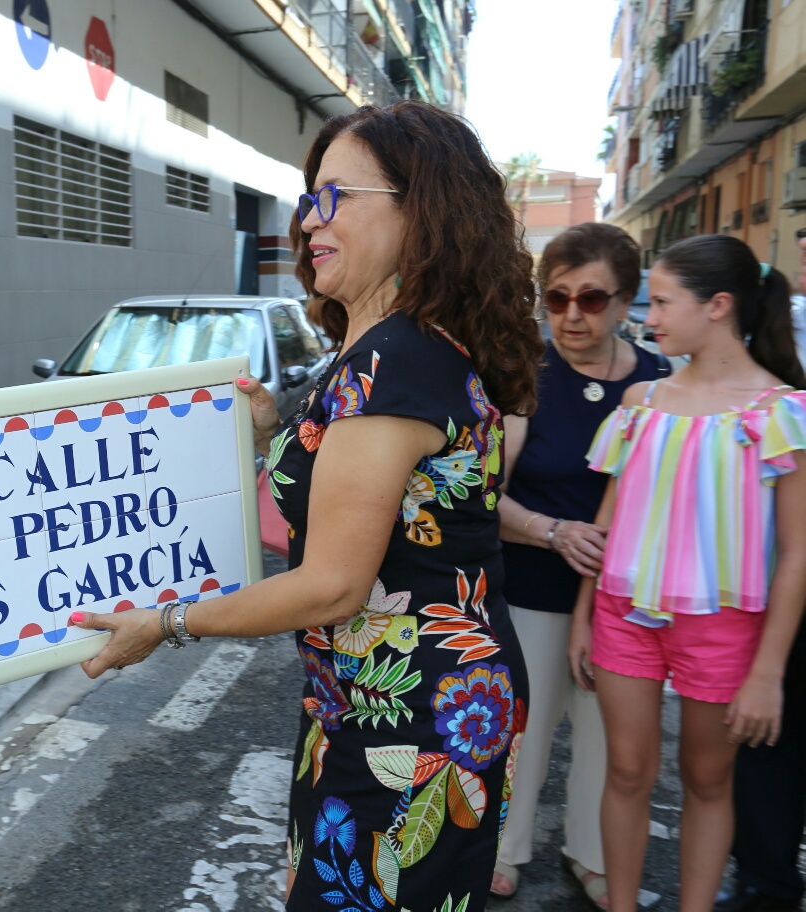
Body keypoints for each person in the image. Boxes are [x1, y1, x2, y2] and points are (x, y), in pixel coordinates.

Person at [71, 100, 542, 911]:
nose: (309, 221)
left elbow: (330, 585)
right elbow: (358, 504)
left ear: (418, 210)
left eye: (335, 197)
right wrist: (269, 438)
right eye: (307, 199)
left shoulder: (394, 363)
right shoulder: (382, 351)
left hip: (413, 721)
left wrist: (168, 622)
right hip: (373, 702)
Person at [568, 234, 806, 912]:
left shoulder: (782, 412)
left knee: (707, 780)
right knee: (627, 770)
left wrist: (768, 673)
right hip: (623, 615)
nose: (650, 319)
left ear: (720, 306)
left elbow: (798, 552)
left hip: (726, 627)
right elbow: (609, 522)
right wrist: (584, 615)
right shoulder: (641, 403)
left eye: (664, 302)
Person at [491, 224, 670, 907]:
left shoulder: (659, 381)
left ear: (625, 302)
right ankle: (504, 848)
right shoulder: (524, 370)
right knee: (523, 729)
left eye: (591, 300)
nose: (570, 315)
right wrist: (551, 531)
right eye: (556, 297)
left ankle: (592, 855)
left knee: (609, 738)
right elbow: (484, 492)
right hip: (533, 586)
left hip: (624, 598)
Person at [714, 226, 806, 912]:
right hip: (778, 590)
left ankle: (766, 882)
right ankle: (765, 883)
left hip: (780, 586)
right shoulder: (778, 376)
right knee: (768, 749)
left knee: (768, 751)